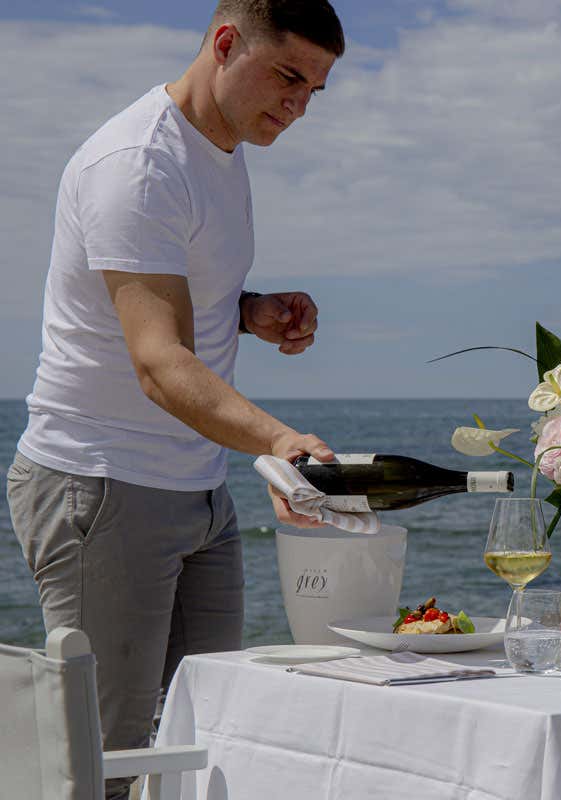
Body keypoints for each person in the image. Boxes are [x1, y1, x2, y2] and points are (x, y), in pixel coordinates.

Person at [5, 2, 344, 797]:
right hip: (102, 486)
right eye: (288, 76)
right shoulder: (137, 162)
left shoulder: (223, 154)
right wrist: (280, 442)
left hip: (196, 491)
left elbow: (169, 296)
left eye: (315, 91)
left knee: (208, 733)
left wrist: (248, 310)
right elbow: (158, 363)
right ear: (226, 44)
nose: (297, 106)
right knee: (102, 763)